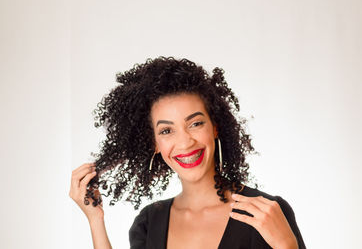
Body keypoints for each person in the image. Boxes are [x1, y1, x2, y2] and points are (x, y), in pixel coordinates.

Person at [69, 57, 306, 249]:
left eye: (195, 124)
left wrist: (287, 246)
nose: (184, 142)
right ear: (154, 144)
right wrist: (95, 220)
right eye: (166, 130)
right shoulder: (150, 223)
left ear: (215, 127)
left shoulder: (266, 212)